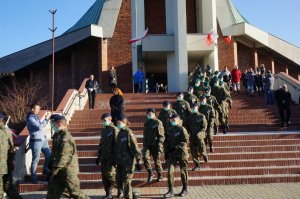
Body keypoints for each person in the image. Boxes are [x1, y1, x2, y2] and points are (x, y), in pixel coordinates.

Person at [46, 115, 89, 199]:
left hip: (68, 171)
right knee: (52, 193)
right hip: (59, 170)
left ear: (59, 124)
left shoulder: (66, 138)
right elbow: (54, 153)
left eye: (53, 124)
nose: (52, 126)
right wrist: (50, 165)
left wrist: (54, 170)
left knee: (75, 193)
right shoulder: (57, 136)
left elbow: (64, 157)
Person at [115, 115, 142, 199]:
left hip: (128, 163)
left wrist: (138, 161)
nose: (117, 124)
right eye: (117, 122)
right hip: (120, 162)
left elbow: (135, 147)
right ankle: (134, 194)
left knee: (126, 182)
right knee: (119, 181)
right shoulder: (119, 133)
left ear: (124, 122)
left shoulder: (128, 133)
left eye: (118, 122)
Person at [164, 114, 189, 198]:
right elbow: (167, 141)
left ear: (178, 120)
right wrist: (166, 151)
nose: (172, 122)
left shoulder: (182, 129)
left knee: (183, 172)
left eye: (174, 120)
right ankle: (170, 190)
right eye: (171, 120)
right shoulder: (169, 129)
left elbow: (185, 140)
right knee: (170, 172)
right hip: (172, 154)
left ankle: (185, 189)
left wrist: (177, 147)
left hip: (182, 153)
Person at [26, 104, 51, 183]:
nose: (38, 111)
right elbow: (39, 127)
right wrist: (46, 119)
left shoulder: (35, 117)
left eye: (39, 109)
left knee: (49, 155)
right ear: (32, 109)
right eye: (37, 109)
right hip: (36, 141)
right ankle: (34, 179)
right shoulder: (30, 118)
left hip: (43, 140)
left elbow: (41, 127)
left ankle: (44, 169)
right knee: (35, 160)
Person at [0, 113, 23, 199]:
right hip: (7, 164)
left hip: (2, 164)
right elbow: (11, 148)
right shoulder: (7, 131)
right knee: (8, 186)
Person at [96, 113, 118, 199]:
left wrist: (116, 158)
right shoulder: (104, 130)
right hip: (104, 157)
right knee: (104, 177)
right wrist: (98, 156)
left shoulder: (114, 129)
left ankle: (127, 190)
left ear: (110, 120)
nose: (103, 122)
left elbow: (117, 145)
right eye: (103, 121)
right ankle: (109, 194)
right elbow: (101, 144)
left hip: (111, 157)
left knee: (110, 175)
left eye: (105, 120)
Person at [143, 108, 165, 183]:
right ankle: (150, 173)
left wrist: (160, 146)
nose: (148, 115)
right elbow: (145, 134)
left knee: (157, 161)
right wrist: (144, 144)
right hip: (147, 145)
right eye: (148, 114)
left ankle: (160, 174)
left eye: (150, 114)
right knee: (145, 158)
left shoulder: (158, 122)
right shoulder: (146, 122)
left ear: (154, 114)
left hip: (155, 145)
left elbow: (161, 136)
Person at [189, 103, 208, 171]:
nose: (193, 109)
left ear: (197, 108)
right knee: (193, 151)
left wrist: (200, 133)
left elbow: (204, 126)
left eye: (194, 107)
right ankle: (197, 165)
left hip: (199, 136)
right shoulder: (190, 116)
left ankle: (204, 154)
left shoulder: (201, 116)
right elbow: (187, 126)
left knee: (201, 149)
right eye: (192, 108)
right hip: (192, 136)